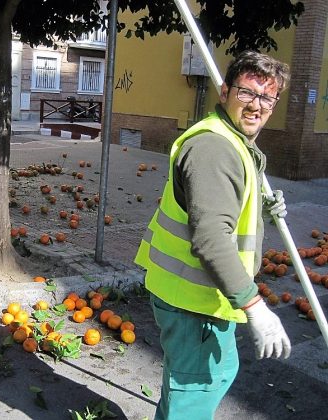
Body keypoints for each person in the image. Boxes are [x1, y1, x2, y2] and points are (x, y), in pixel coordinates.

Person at [134, 50, 292, 420]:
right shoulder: (214, 148)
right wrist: (256, 307)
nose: (257, 105)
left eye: (267, 97)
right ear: (225, 92)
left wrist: (263, 210)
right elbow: (211, 238)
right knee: (196, 389)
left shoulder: (232, 140)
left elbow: (220, 207)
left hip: (193, 294)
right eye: (248, 93)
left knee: (193, 386)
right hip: (193, 301)